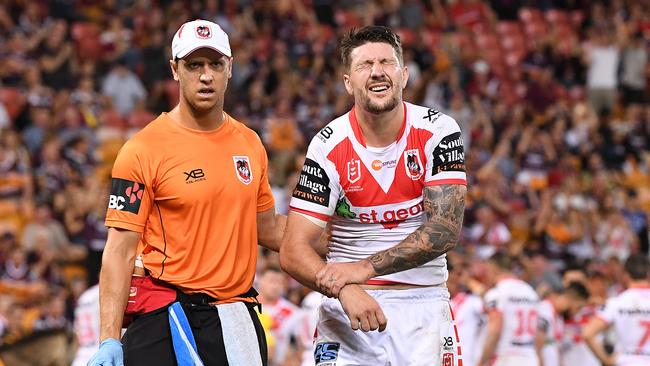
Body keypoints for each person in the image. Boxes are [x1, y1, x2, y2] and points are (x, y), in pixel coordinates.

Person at [88, 19, 285, 366]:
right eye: (194, 65)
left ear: (230, 68)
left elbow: (267, 228)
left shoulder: (250, 144)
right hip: (165, 314)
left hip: (233, 316)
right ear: (175, 70)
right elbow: (119, 250)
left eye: (215, 64)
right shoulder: (142, 150)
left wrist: (329, 230)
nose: (205, 76)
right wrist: (108, 338)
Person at [280, 25, 467, 365]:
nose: (378, 71)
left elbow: (445, 230)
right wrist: (345, 288)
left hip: (422, 312)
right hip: (347, 315)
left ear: (404, 74)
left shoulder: (438, 131)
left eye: (387, 62)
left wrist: (363, 269)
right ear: (348, 81)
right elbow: (293, 250)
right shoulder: (327, 144)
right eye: (365, 64)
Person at [583, 254, 650, 366]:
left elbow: (587, 333)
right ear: (648, 274)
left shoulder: (616, 302)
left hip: (625, 361)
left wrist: (606, 361)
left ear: (626, 275)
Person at [478, 252, 541, 366]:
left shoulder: (496, 294)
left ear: (493, 267)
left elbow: (494, 332)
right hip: (530, 358)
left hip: (505, 358)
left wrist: (481, 362)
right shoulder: (531, 292)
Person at [535, 281, 590, 366]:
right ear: (572, 300)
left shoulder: (559, 318)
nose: (577, 312)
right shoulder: (544, 310)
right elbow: (537, 346)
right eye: (579, 307)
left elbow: (556, 349)